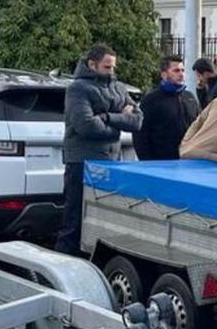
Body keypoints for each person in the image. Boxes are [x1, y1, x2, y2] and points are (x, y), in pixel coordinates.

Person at [56, 44, 142, 254]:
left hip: (110, 162)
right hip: (82, 163)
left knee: (103, 217)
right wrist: (119, 123)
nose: (111, 71)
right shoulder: (78, 89)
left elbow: (138, 121)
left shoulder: (119, 87)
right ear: (92, 65)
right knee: (75, 218)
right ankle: (65, 261)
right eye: (107, 67)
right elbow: (86, 126)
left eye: (113, 67)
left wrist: (106, 117)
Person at [133, 55, 199, 161]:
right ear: (164, 75)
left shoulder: (189, 97)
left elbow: (198, 125)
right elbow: (140, 135)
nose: (181, 74)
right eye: (176, 71)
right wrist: (147, 163)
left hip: (187, 160)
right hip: (161, 162)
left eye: (182, 70)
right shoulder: (151, 100)